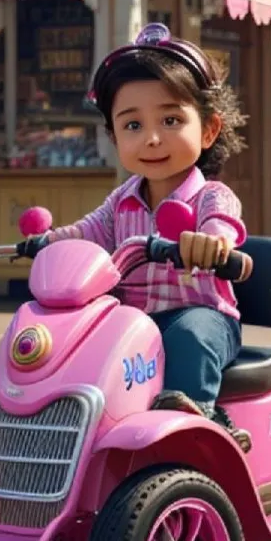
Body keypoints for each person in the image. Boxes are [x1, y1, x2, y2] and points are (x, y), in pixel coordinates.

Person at [24, 23, 253, 451]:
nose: (151, 137)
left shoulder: (211, 196)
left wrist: (211, 243)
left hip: (199, 314)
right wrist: (47, 242)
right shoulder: (120, 202)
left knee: (188, 336)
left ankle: (197, 425)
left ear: (207, 130)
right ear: (113, 136)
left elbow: (223, 225)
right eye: (132, 125)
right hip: (133, 322)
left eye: (170, 120)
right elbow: (86, 232)